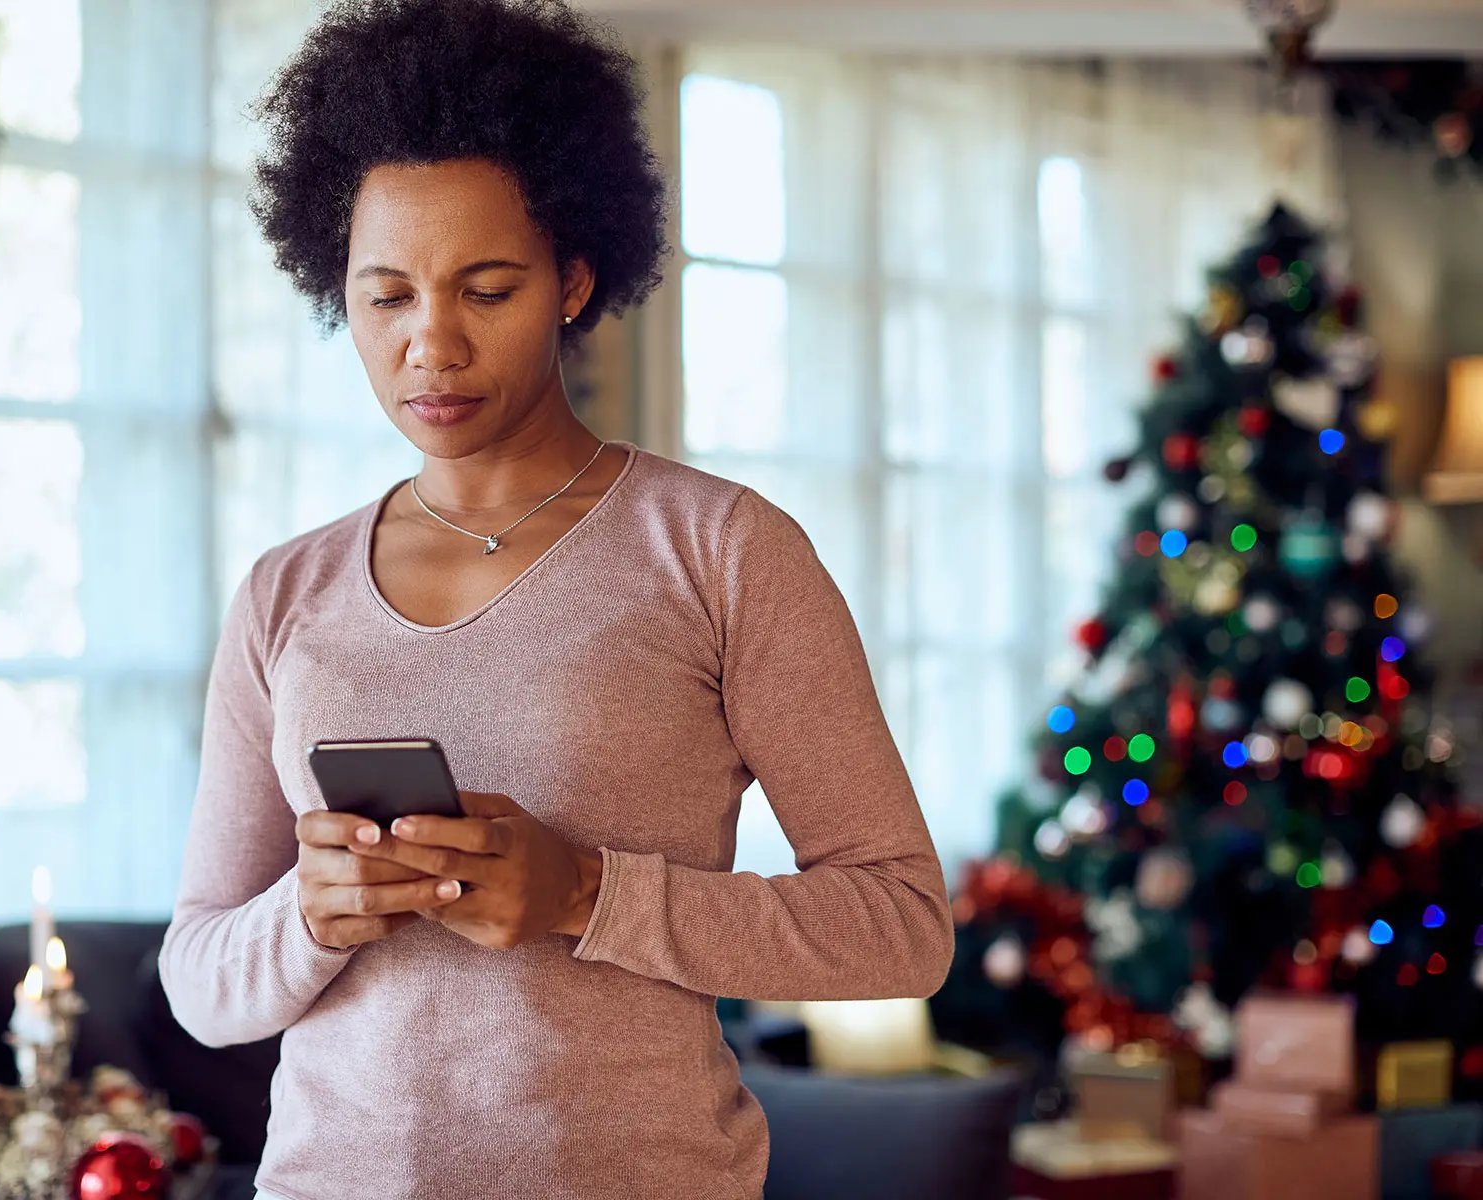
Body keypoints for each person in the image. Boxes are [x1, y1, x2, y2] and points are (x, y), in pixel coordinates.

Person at [157, 1, 954, 1196]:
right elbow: (203, 982)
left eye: (486, 289)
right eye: (386, 297)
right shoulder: (286, 594)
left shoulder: (724, 552)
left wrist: (590, 892)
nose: (432, 344)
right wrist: (308, 914)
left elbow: (901, 925)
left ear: (575, 280)